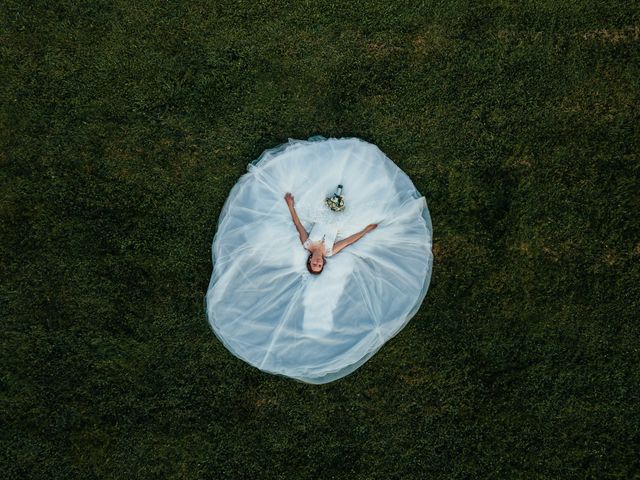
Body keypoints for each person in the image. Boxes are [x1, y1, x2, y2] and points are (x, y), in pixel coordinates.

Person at [284, 192, 377, 274]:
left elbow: (298, 224)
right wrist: (365, 231)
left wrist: (290, 206)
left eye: (314, 264)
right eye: (319, 265)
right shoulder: (329, 252)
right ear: (323, 263)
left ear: (310, 261)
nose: (317, 262)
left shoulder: (307, 244)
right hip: (339, 215)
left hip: (324, 208)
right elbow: (347, 242)